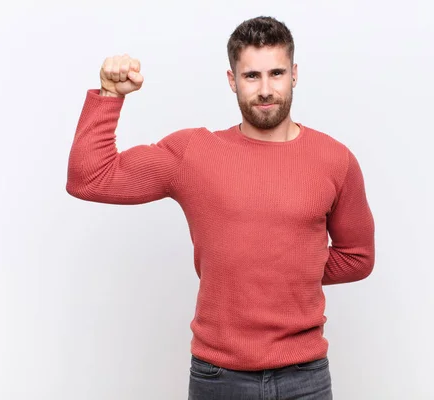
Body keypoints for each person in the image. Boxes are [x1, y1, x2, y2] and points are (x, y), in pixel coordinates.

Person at [66, 15, 375, 400]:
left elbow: (358, 257)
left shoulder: (335, 160)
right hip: (219, 378)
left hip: (305, 377)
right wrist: (110, 95)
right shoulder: (195, 153)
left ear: (294, 74)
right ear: (232, 80)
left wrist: (283, 270)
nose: (265, 89)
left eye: (276, 73)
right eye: (251, 76)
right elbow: (89, 178)